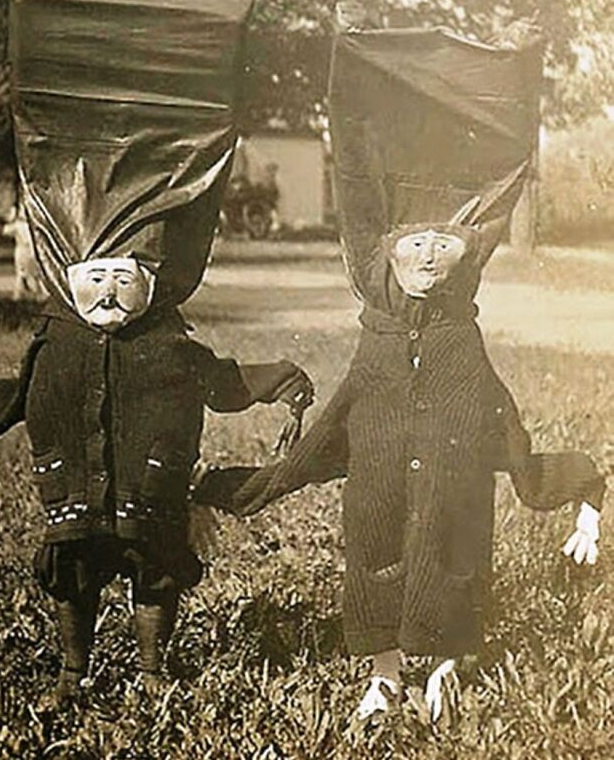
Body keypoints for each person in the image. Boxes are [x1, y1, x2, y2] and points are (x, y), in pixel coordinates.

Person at [194, 219, 605, 721]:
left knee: (454, 561)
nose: (429, 258)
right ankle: (384, 676)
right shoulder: (377, 344)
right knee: (374, 565)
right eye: (415, 245)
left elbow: (504, 426)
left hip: (454, 495)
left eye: (442, 246)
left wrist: (579, 490)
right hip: (376, 493)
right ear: (388, 258)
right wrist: (236, 488)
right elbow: (327, 433)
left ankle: (444, 667)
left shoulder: (463, 343)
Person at [0, 254, 313, 704]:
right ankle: (72, 671)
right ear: (70, 284)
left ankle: (151, 669)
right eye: (96, 278)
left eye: (124, 279)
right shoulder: (55, 346)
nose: (108, 291)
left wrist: (280, 381)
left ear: (149, 286)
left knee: (156, 575)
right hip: (75, 496)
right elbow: (15, 395)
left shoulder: (171, 346)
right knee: (74, 575)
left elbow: (223, 381)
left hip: (151, 493)